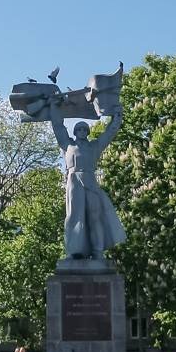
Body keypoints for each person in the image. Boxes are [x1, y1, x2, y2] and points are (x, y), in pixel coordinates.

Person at [49, 100, 126, 259]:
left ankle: (97, 251)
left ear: (88, 132)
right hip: (74, 183)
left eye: (85, 129)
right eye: (79, 129)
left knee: (95, 217)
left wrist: (117, 117)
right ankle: (74, 251)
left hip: (91, 183)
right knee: (74, 217)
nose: (82, 131)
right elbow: (58, 126)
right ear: (75, 132)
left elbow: (109, 133)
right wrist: (53, 107)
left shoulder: (94, 146)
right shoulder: (68, 145)